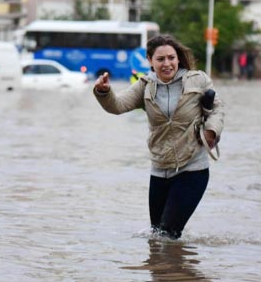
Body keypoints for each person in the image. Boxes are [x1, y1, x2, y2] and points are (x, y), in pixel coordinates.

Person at [93, 34, 225, 239]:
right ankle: (167, 270)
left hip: (192, 168)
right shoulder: (145, 85)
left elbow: (217, 109)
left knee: (167, 234)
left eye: (171, 58)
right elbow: (117, 106)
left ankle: (174, 268)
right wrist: (104, 92)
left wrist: (211, 131)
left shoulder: (198, 79)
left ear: (178, 58)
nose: (167, 64)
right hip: (160, 170)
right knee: (157, 236)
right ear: (150, 61)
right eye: (160, 59)